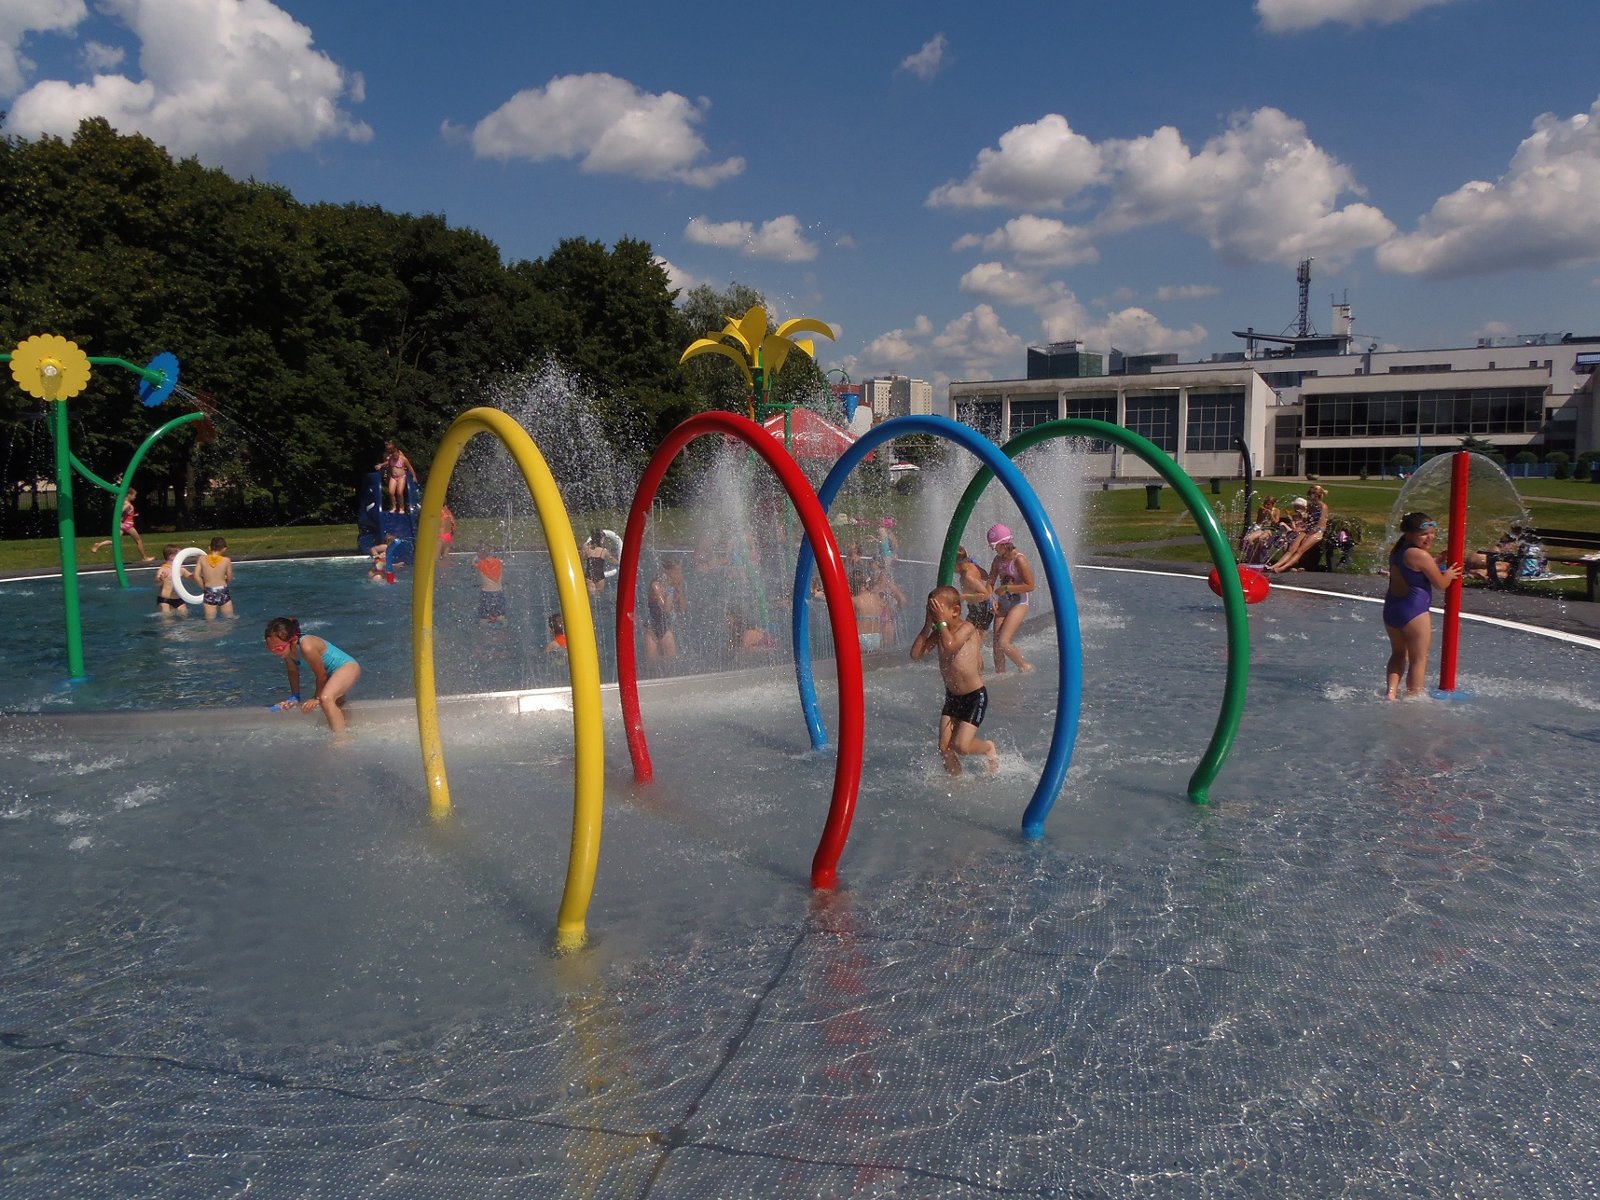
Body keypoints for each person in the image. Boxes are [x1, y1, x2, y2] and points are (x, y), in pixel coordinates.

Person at [910, 584, 1000, 775]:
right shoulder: (938, 634)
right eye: (931, 610)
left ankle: (988, 747)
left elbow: (950, 646)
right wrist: (927, 626)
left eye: (937, 610)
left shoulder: (966, 627)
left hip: (974, 697)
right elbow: (916, 654)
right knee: (944, 748)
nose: (935, 615)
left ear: (955, 611)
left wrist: (941, 623)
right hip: (953, 697)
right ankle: (957, 782)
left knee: (962, 746)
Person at [1382, 512, 1462, 700]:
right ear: (1410, 534)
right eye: (1424, 534)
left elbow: (1413, 569)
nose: (1430, 537)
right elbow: (1441, 584)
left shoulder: (1398, 551)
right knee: (1419, 658)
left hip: (1392, 610)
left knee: (1398, 653)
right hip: (1414, 611)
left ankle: (1391, 693)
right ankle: (1413, 696)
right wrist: (1449, 575)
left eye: (1432, 533)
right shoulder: (1420, 555)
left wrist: (1437, 562)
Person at [263, 616, 361, 733]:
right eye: (270, 648)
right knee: (334, 704)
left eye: (278, 648)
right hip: (332, 674)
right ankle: (345, 728)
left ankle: (342, 739)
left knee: (326, 699)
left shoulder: (307, 646)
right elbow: (293, 671)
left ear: (293, 640)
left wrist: (316, 698)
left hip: (347, 667)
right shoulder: (287, 651)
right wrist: (295, 697)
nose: (275, 652)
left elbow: (321, 675)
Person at [985, 524, 1035, 674]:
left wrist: (1007, 588)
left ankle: (1025, 667)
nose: (994, 550)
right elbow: (990, 582)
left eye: (995, 546)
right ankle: (1000, 674)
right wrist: (991, 598)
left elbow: (1030, 585)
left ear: (1004, 544)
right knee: (996, 644)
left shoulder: (1019, 560)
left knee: (1004, 642)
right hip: (1003, 602)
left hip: (1019, 603)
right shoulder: (997, 560)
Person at [1268, 485, 1331, 572]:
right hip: (1308, 530)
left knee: (1300, 550)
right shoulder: (1310, 506)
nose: (1308, 495)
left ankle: (1282, 568)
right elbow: (1308, 522)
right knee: (1291, 549)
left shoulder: (1323, 507)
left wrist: (1307, 535)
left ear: (1317, 495)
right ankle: (1276, 565)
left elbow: (1319, 525)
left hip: (1318, 532)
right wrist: (1301, 528)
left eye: (1310, 493)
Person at [644, 554, 688, 662]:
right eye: (676, 572)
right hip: (652, 629)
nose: (680, 575)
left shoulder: (677, 586)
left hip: (666, 628)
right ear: (667, 572)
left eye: (680, 572)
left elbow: (683, 609)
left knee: (671, 663)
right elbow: (666, 609)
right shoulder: (656, 585)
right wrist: (670, 590)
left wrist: (680, 592)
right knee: (652, 665)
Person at [91, 488, 151, 560]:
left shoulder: (124, 502)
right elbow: (119, 512)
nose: (135, 497)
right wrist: (119, 521)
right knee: (139, 540)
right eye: (134, 495)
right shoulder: (127, 504)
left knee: (115, 541)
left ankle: (98, 545)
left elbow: (126, 514)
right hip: (128, 525)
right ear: (129, 495)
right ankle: (144, 557)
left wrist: (132, 515)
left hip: (124, 525)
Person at [953, 545, 995, 632]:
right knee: (969, 634)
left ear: (957, 564)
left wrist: (964, 597)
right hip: (976, 608)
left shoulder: (968, 577)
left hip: (982, 609)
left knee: (975, 636)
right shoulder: (971, 565)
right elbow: (985, 576)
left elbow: (985, 594)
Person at [193, 536, 234, 620]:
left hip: (209, 591)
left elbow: (196, 576)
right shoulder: (226, 560)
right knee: (229, 618)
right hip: (222, 591)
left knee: (210, 620)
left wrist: (203, 587)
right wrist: (225, 580)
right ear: (224, 549)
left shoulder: (201, 559)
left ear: (209, 547)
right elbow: (229, 577)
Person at [850, 568, 885, 652]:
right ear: (865, 583)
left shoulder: (853, 600)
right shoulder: (876, 597)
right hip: (877, 637)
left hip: (860, 637)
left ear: (852, 585)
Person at [376, 441, 416, 514]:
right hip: (393, 476)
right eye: (393, 456)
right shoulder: (390, 457)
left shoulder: (402, 458)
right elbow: (387, 463)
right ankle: (394, 507)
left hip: (401, 476)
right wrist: (381, 465)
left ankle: (401, 508)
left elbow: (410, 467)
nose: (395, 457)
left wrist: (414, 476)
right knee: (391, 492)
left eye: (396, 456)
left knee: (399, 492)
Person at [473, 547, 506, 623]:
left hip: (486, 594)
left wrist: (477, 555)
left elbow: (473, 562)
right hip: (499, 594)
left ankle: (484, 632)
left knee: (484, 619)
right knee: (501, 618)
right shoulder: (499, 563)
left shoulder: (481, 564)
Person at [154, 543, 188, 615]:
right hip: (165, 600)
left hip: (179, 599)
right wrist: (161, 579)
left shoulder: (181, 569)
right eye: (180, 555)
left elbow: (190, 576)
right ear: (172, 556)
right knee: (168, 621)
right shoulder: (163, 569)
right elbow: (157, 582)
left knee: (185, 616)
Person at [581, 528, 615, 597]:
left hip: (589, 575)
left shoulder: (586, 548)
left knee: (590, 596)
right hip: (600, 576)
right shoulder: (604, 551)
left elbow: (582, 559)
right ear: (601, 539)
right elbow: (613, 561)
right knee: (598, 597)